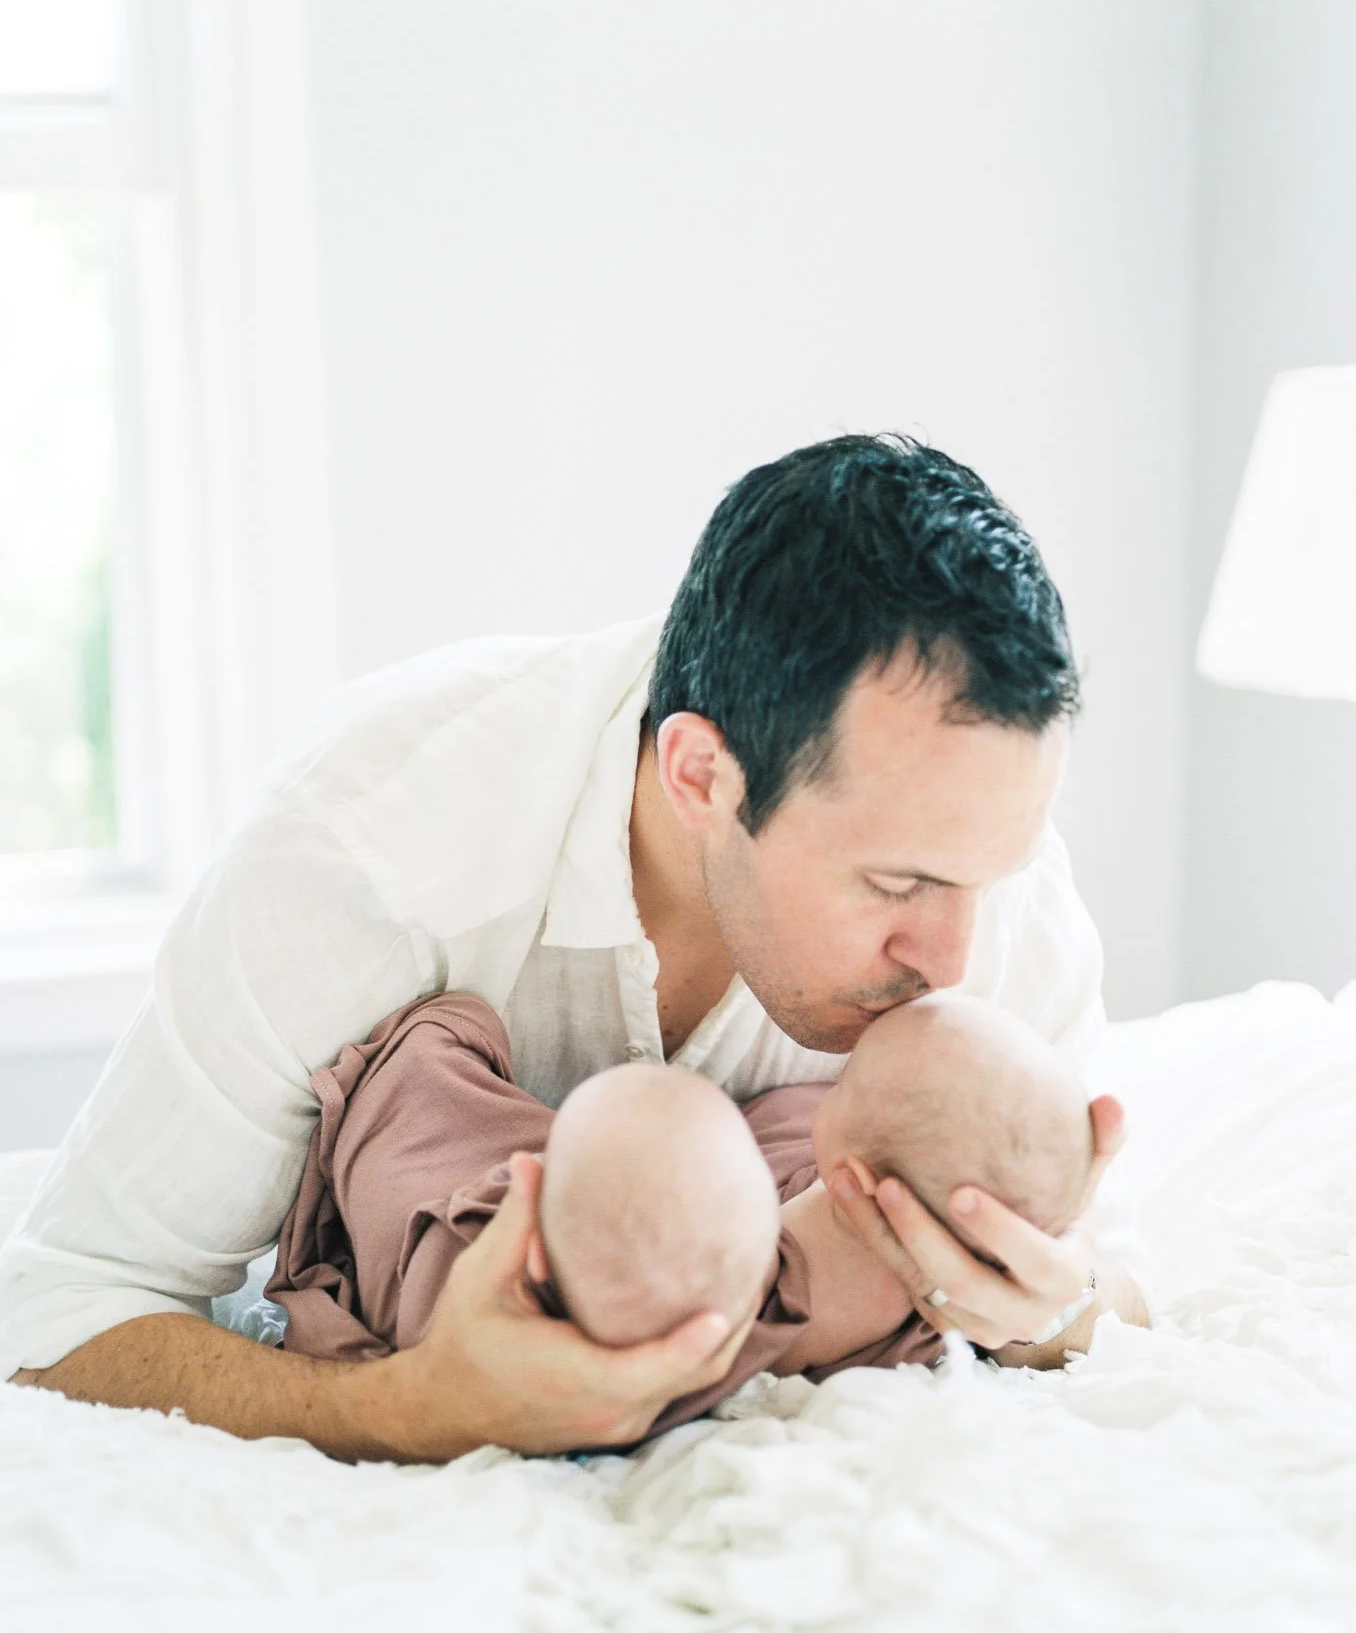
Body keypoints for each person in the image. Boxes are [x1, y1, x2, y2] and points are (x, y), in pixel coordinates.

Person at [2, 433, 1136, 1458]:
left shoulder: (1000, 894)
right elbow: (55, 1312)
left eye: (992, 875)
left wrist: (1050, 1312)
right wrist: (409, 1409)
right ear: (701, 774)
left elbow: (1110, 1285)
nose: (950, 957)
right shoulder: (369, 855)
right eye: (898, 883)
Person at [266, 986, 1124, 1456]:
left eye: (850, 1082)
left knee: (444, 1068)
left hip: (473, 1305)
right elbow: (1126, 1313)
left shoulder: (781, 1189)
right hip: (692, 1335)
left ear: (849, 1172)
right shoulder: (926, 1319)